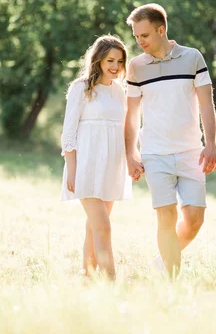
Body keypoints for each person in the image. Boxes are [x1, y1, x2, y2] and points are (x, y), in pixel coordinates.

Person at [124, 3, 216, 277]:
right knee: (166, 216)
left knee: (194, 220)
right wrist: (130, 153)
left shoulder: (192, 58)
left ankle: (162, 260)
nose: (139, 42)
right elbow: (131, 116)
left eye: (144, 35)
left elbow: (206, 105)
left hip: (192, 153)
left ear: (161, 30)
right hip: (155, 154)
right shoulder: (136, 67)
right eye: (136, 37)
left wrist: (210, 144)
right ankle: (171, 281)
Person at [60, 35, 132, 280]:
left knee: (94, 226)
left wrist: (133, 158)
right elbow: (69, 132)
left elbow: (124, 129)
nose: (115, 66)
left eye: (120, 62)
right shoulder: (82, 88)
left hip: (112, 165)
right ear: (99, 59)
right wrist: (73, 169)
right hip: (87, 166)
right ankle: (110, 281)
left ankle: (87, 275)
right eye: (110, 60)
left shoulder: (120, 91)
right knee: (103, 226)